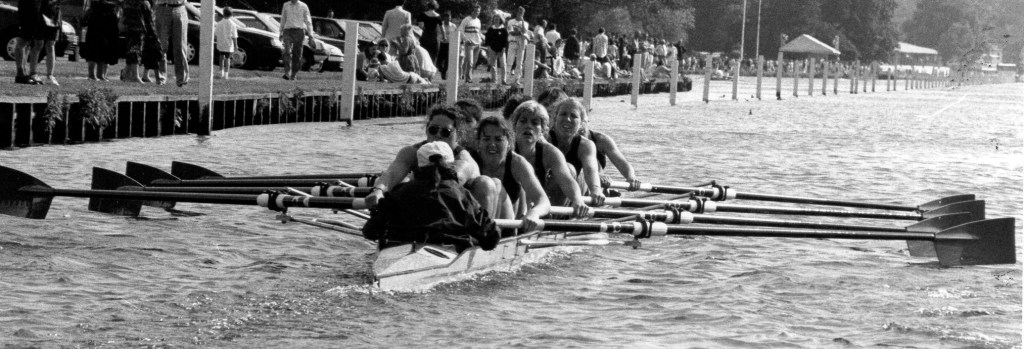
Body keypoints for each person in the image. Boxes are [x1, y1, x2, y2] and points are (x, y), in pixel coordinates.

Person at [365, 105, 501, 219]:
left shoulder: (463, 158)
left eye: (446, 132)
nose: (438, 135)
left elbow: (450, 180)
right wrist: (378, 190)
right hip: (432, 205)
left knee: (487, 183)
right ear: (426, 130)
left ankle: (481, 237)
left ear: (458, 135)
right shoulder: (411, 152)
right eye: (433, 129)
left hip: (464, 211)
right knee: (399, 184)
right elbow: (392, 173)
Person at [362, 141, 500, 252]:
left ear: (418, 167)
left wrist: (376, 211)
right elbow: (491, 238)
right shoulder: (463, 195)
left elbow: (370, 232)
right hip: (447, 250)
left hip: (399, 248)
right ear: (452, 165)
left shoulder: (399, 192)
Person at [509, 101, 593, 214]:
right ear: (514, 126)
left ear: (543, 130)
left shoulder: (550, 153)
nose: (528, 126)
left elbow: (567, 182)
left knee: (569, 168)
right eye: (523, 121)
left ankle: (553, 219)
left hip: (539, 208)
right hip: (512, 204)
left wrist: (577, 200)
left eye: (534, 123)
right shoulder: (506, 148)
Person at [472, 116, 551, 233]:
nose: (492, 144)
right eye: (486, 139)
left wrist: (534, 213)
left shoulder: (517, 163)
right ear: (478, 143)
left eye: (498, 139)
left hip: (507, 228)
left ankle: (484, 236)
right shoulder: (470, 159)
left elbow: (543, 200)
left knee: (495, 184)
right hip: (475, 225)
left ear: (508, 143)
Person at [547, 98, 607, 205]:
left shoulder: (586, 145)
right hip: (548, 188)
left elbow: (590, 170)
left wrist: (596, 189)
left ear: (581, 124)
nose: (568, 119)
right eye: (563, 114)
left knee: (568, 168)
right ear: (555, 118)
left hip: (576, 192)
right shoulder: (544, 139)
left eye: (573, 116)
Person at [82, 0, 120, 82]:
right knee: (94, 51)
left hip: (104, 23)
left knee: (103, 50)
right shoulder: (97, 5)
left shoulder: (110, 6)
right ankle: (92, 75)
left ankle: (100, 74)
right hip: (96, 23)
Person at [27, 0, 62, 85]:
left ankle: (50, 75)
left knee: (51, 45)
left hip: (54, 16)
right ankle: (33, 73)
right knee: (38, 44)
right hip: (41, 15)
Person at [121, 0, 155, 83]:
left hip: (134, 29)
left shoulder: (130, 2)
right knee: (135, 51)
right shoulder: (142, 3)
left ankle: (126, 74)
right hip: (136, 29)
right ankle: (134, 76)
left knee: (133, 51)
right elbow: (149, 19)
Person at [154, 0, 188, 86]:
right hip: (162, 8)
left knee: (180, 46)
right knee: (161, 45)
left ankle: (181, 78)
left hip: (180, 7)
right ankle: (161, 77)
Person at [279, 0, 313, 81]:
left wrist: (311, 35)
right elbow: (283, 18)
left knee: (297, 54)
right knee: (287, 51)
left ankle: (294, 74)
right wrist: (280, 32)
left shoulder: (304, 6)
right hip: (287, 31)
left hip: (299, 31)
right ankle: (287, 73)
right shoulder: (286, 5)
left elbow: (308, 21)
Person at [457, 4, 483, 83]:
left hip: (477, 44)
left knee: (474, 63)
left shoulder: (478, 21)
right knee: (470, 62)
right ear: (472, 11)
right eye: (475, 11)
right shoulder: (466, 20)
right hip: (469, 44)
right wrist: (466, 39)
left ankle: (469, 77)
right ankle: (468, 79)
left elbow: (478, 32)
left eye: (478, 11)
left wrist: (481, 40)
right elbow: (460, 30)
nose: (476, 12)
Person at [505, 7, 528, 85]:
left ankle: (516, 80)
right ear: (517, 12)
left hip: (521, 43)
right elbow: (511, 32)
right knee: (509, 61)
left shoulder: (525, 23)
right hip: (512, 42)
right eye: (519, 12)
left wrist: (522, 21)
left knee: (519, 62)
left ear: (523, 14)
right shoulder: (511, 21)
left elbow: (524, 31)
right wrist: (520, 33)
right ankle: (506, 79)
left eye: (522, 12)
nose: (520, 13)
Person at [214, 7, 238, 79]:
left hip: (221, 43)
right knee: (227, 58)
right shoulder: (233, 24)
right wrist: (236, 45)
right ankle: (226, 74)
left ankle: (221, 72)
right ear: (231, 15)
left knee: (221, 57)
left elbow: (216, 34)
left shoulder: (219, 23)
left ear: (223, 14)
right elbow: (234, 36)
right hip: (228, 44)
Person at [483, 16, 507, 84]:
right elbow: (487, 39)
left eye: (497, 19)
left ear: (500, 20)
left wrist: (503, 49)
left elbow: (505, 41)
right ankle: (494, 80)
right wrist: (489, 48)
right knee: (493, 66)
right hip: (492, 49)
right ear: (493, 20)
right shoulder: (490, 29)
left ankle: (503, 80)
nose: (496, 20)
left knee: (503, 65)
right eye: (495, 19)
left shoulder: (503, 29)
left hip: (501, 50)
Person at [435, 11, 456, 79]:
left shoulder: (453, 26)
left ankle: (444, 72)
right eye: (446, 18)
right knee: (439, 60)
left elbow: (455, 35)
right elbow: (437, 33)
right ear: (444, 18)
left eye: (449, 18)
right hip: (441, 44)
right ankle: (441, 70)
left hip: (449, 44)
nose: (448, 19)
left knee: (447, 60)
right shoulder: (439, 25)